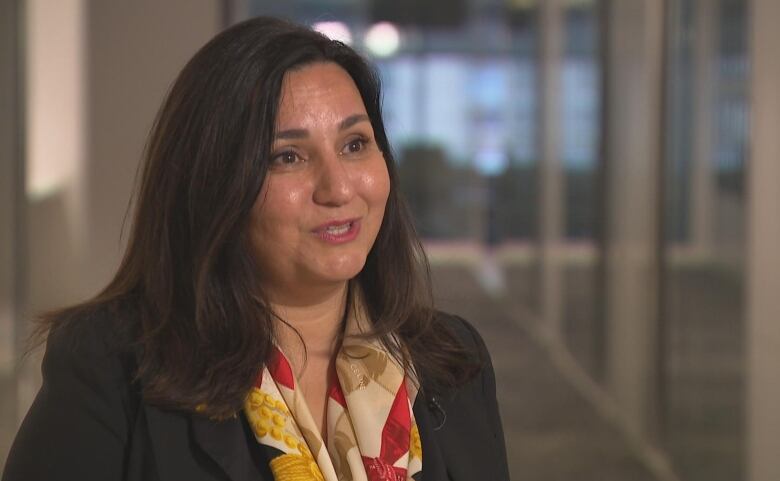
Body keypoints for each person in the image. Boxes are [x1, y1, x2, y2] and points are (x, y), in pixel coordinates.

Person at [2, 17, 509, 481]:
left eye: (355, 145)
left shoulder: (452, 358)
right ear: (215, 185)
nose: (337, 189)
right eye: (287, 156)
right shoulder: (112, 365)